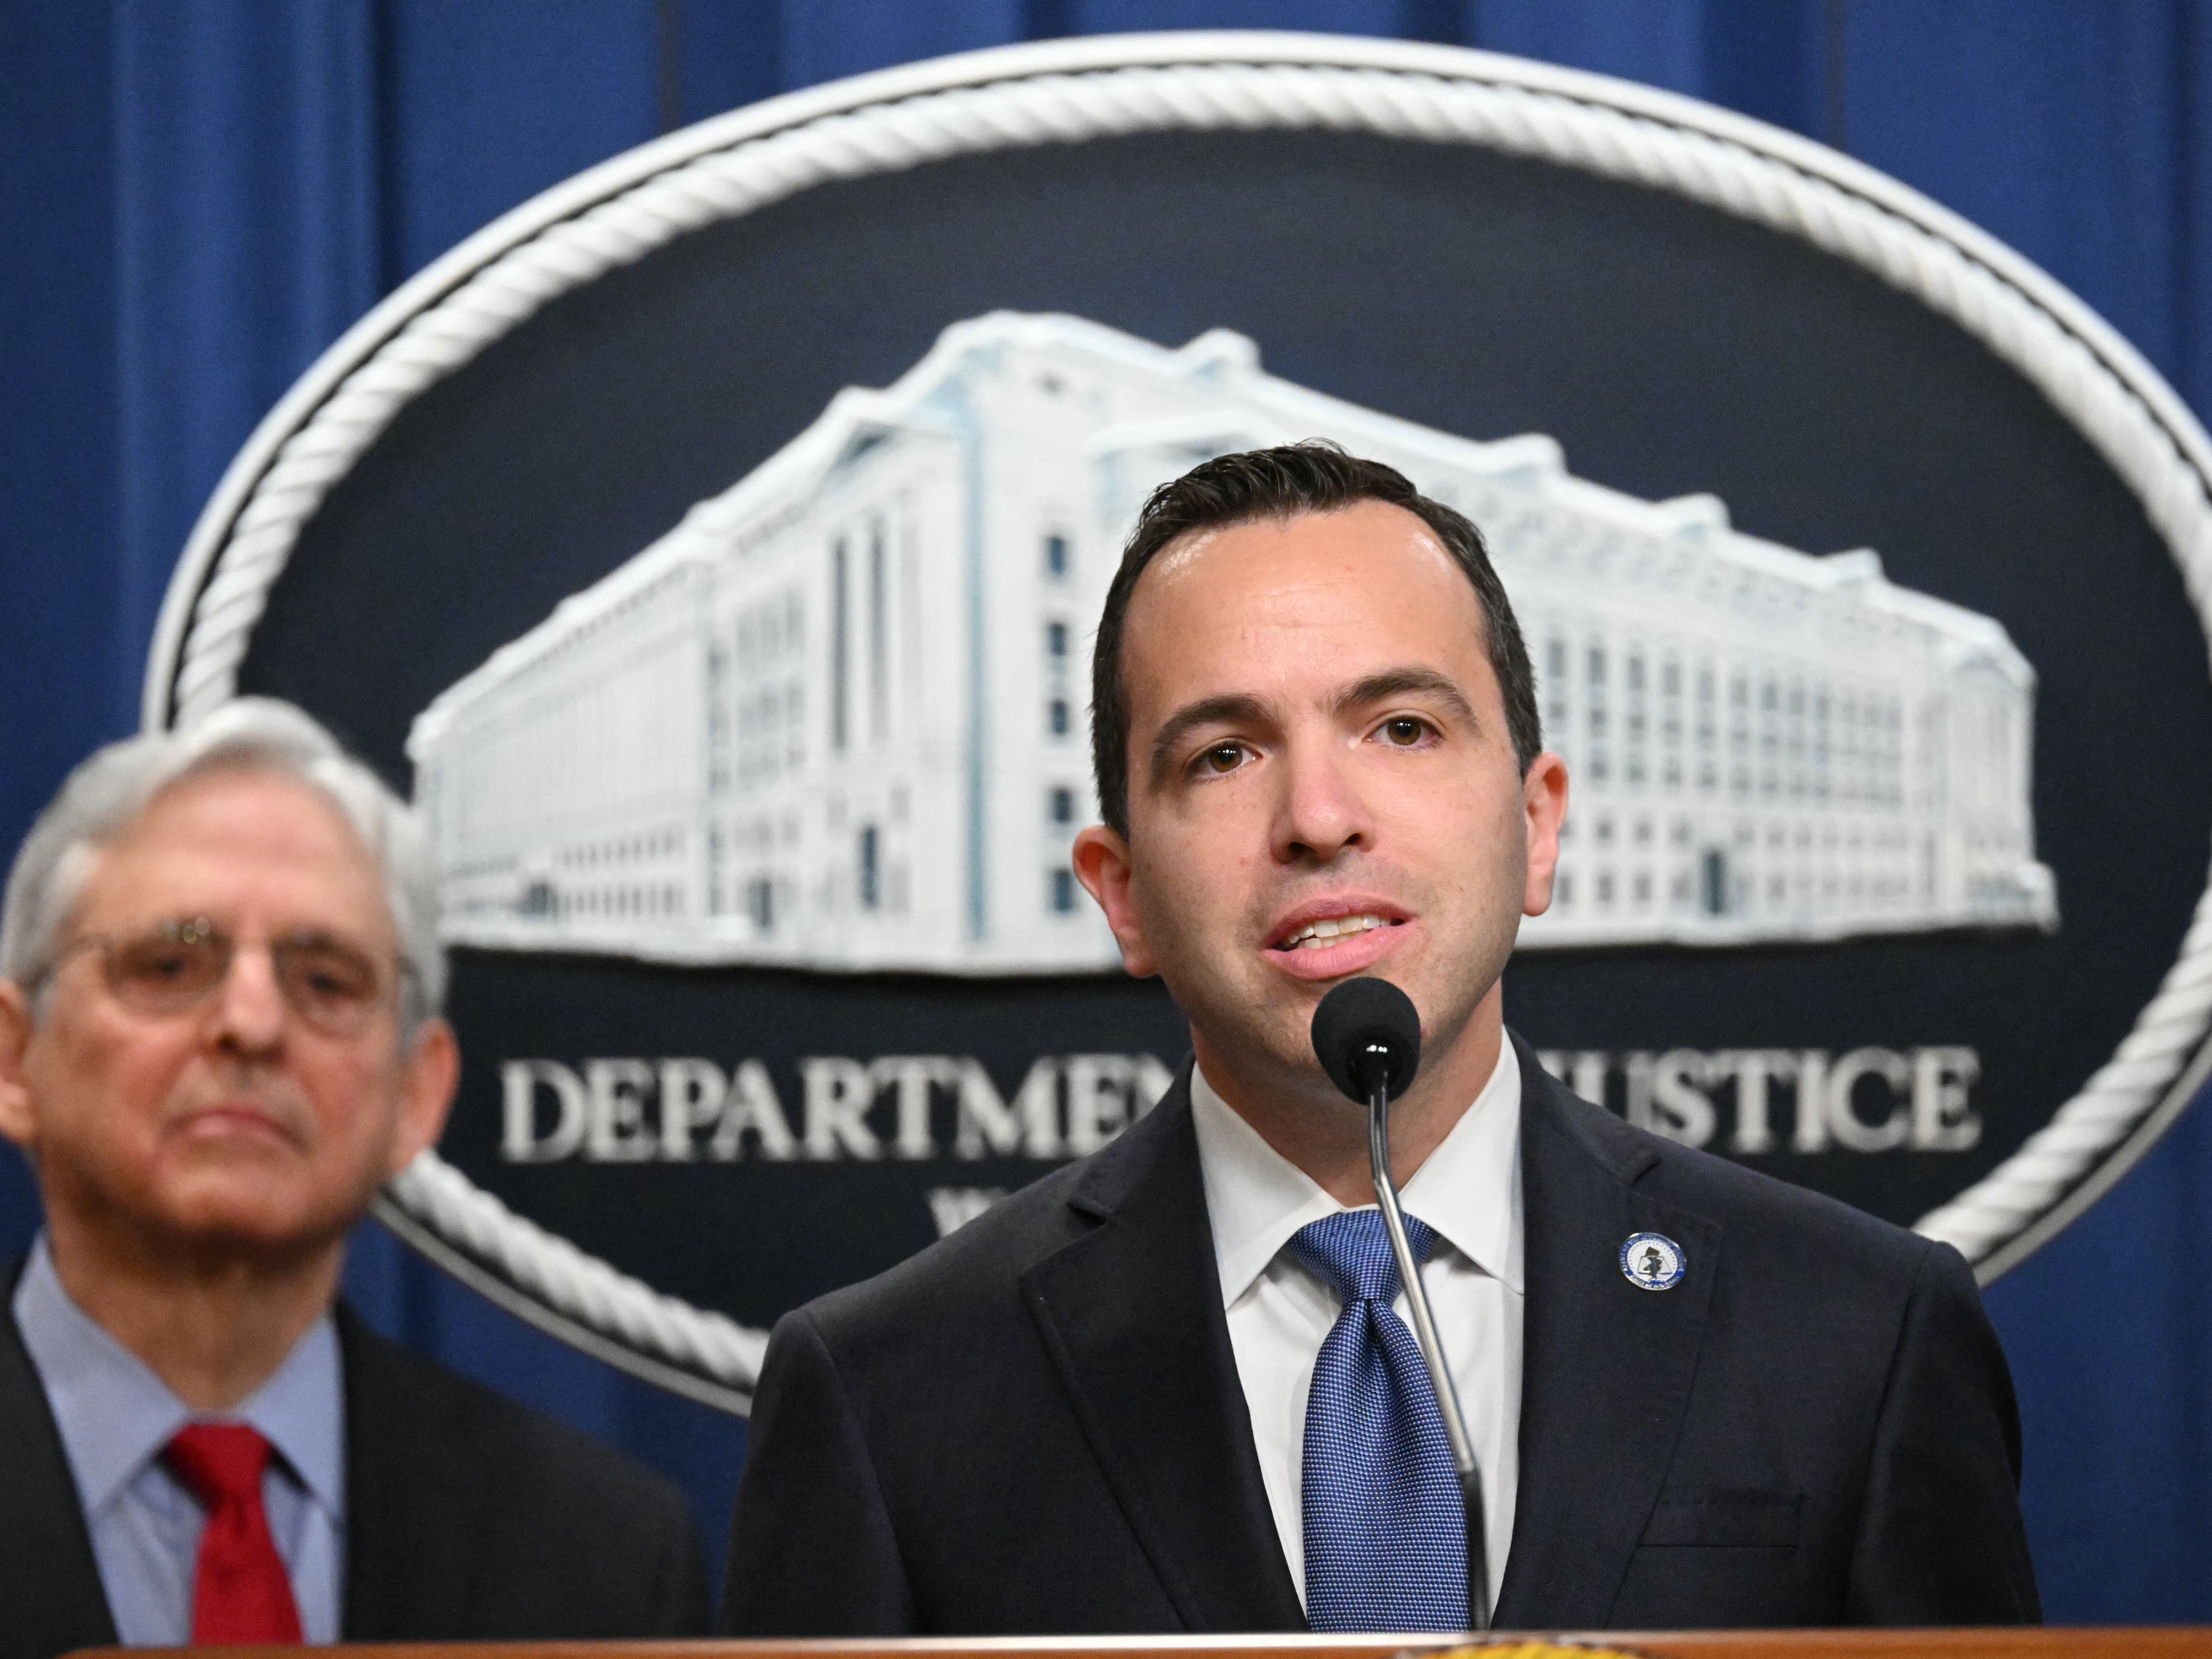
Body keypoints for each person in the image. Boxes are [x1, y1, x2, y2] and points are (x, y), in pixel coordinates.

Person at [720, 442, 2040, 1633]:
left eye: (1400, 726)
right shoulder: (888, 1391)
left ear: (1540, 820)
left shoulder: (1861, 1331)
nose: (1320, 814)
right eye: (1225, 754)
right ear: (1122, 891)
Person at [0, 700, 709, 1659]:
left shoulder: (603, 1556)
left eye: (326, 982)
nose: (251, 1023)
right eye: (169, 964)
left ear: (417, 1095)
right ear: (14, 1058)